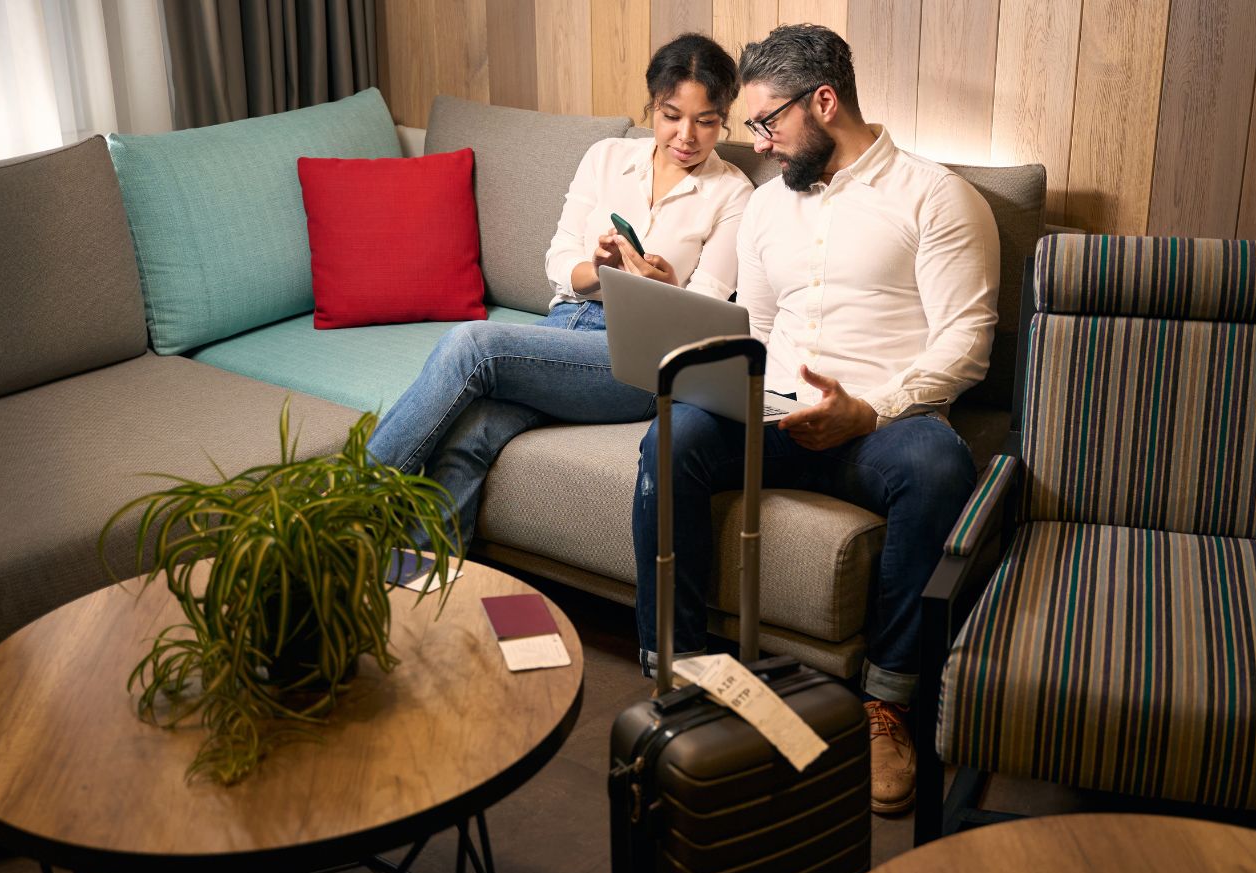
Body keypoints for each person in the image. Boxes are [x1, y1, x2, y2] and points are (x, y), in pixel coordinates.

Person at [628, 24, 1000, 815]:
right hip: (774, 414)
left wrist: (872, 410)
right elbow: (754, 329)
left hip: (882, 425)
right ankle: (679, 665)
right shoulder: (768, 209)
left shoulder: (937, 198)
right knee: (674, 433)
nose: (758, 145)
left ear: (823, 102)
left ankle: (889, 704)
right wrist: (722, 377)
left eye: (767, 122)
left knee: (941, 468)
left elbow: (967, 342)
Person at [368, 34, 754, 546]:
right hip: (562, 332)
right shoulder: (606, 157)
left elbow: (703, 316)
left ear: (724, 117)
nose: (686, 135)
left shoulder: (734, 193)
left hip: (638, 360)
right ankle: (426, 597)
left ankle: (345, 505)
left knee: (473, 345)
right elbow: (558, 261)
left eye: (706, 121)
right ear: (651, 107)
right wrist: (597, 268)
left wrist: (665, 289)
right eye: (671, 115)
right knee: (469, 438)